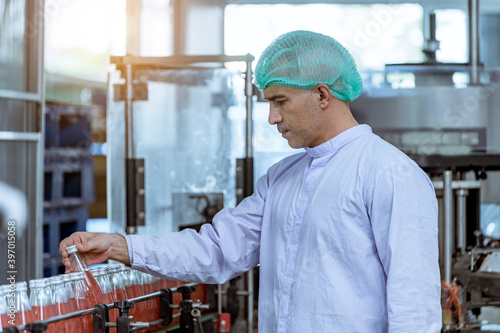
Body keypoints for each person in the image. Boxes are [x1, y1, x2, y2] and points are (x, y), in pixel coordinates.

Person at [60, 30, 441, 332]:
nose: (272, 118)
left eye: (280, 101)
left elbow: (414, 307)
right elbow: (216, 250)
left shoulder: (390, 174)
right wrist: (118, 246)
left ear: (322, 94)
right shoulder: (282, 179)